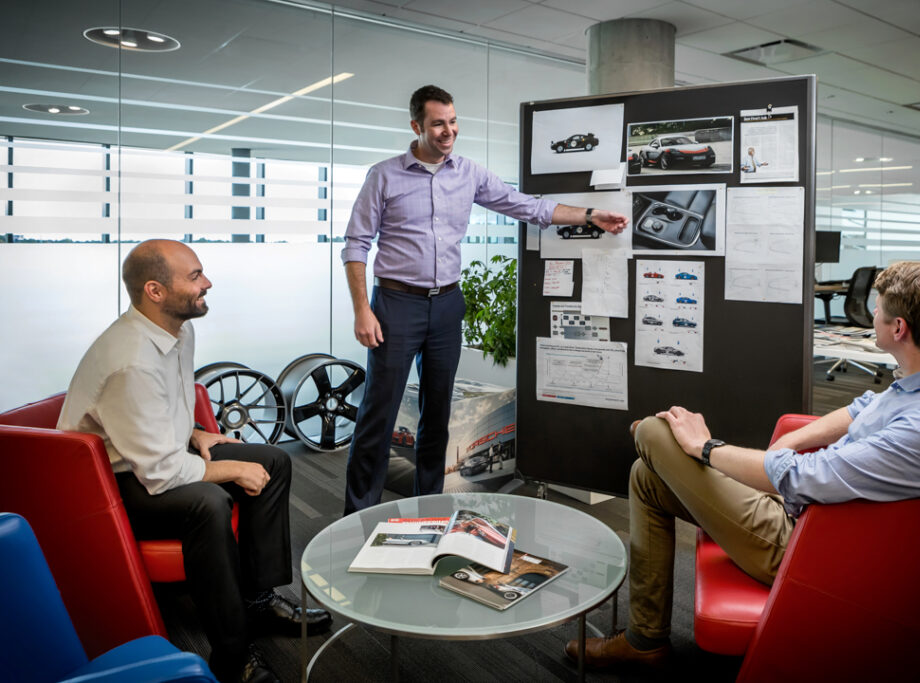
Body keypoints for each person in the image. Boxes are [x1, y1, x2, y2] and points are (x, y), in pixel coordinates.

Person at [566, 261, 920, 668]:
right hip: (822, 520)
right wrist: (784, 444)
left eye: (878, 308)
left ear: (899, 328)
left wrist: (706, 448)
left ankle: (644, 639)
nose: (874, 312)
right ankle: (645, 640)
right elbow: (861, 409)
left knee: (656, 436)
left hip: (811, 548)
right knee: (648, 475)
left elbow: (804, 477)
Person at [341, 84, 628, 514]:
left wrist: (589, 216)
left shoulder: (469, 173)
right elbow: (355, 245)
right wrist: (362, 309)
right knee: (377, 417)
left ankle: (429, 510)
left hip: (446, 306)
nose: (448, 131)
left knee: (438, 414)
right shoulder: (385, 176)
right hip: (396, 305)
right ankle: (358, 515)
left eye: (453, 121)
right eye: (438, 123)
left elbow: (525, 205)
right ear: (416, 125)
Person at [57, 240, 332, 683]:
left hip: (152, 455)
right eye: (195, 276)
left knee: (274, 461)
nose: (207, 283)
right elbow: (161, 472)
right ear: (155, 290)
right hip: (110, 489)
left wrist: (195, 431)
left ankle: (257, 600)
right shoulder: (129, 361)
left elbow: (162, 408)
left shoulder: (177, 331)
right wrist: (232, 469)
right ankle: (232, 653)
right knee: (208, 502)